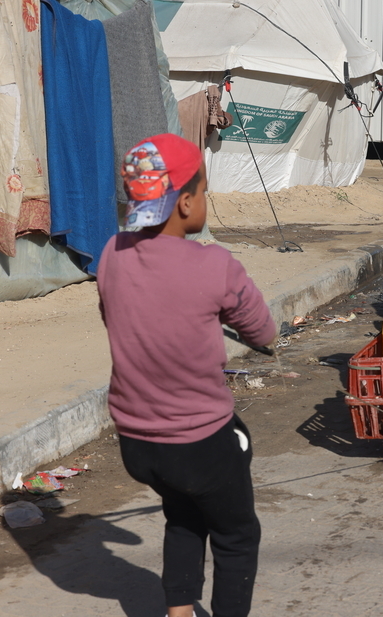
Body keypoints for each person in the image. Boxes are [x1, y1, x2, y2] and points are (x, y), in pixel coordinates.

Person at [97, 133, 276, 617]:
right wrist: (258, 337)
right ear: (186, 202)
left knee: (183, 514)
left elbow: (112, 314)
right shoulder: (214, 264)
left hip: (138, 440)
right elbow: (261, 328)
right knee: (237, 534)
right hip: (198, 440)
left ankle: (178, 612)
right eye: (204, 193)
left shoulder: (112, 254)